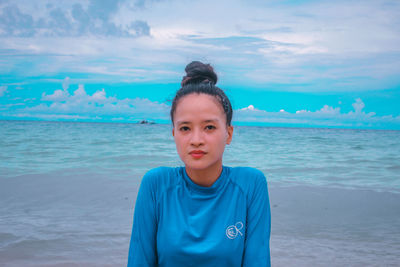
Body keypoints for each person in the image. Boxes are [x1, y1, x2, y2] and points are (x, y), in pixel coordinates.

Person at [127, 61, 271, 267]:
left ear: (228, 134)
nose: (196, 139)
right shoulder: (156, 185)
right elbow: (139, 261)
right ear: (174, 133)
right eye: (185, 128)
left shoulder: (250, 185)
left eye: (209, 127)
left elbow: (258, 261)